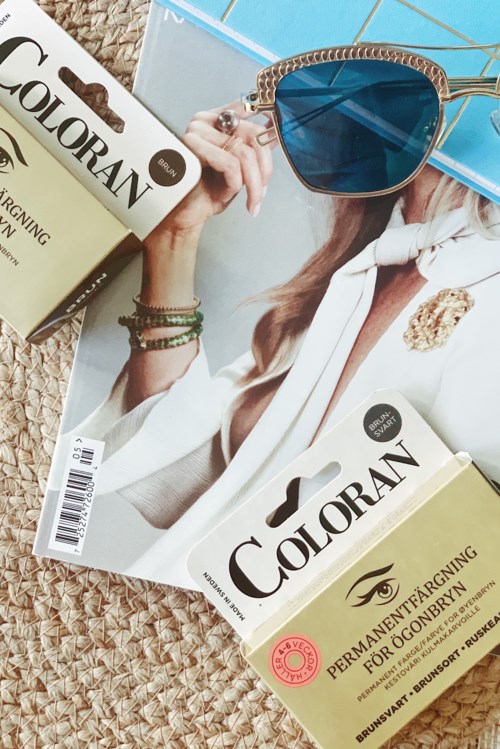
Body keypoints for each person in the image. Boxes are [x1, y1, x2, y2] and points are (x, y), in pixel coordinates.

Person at [58, 100, 500, 585]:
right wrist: (176, 234)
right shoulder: (365, 270)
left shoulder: (485, 289)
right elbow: (172, 464)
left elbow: (459, 554)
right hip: (181, 593)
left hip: (310, 618)